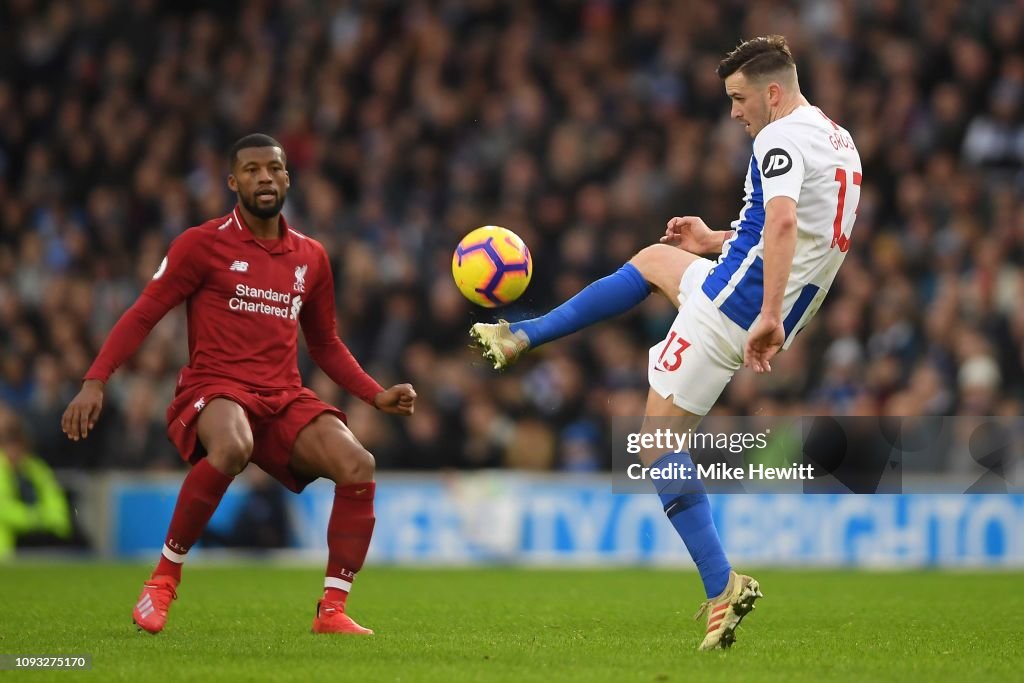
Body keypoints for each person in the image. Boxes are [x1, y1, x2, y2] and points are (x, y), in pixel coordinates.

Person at [471, 35, 862, 649]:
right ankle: (522, 333)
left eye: (739, 99)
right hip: (759, 290)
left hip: (736, 305)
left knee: (655, 445)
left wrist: (765, 315)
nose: (735, 113)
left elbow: (784, 223)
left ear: (773, 93)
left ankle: (721, 588)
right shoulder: (838, 140)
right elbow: (795, 228)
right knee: (657, 258)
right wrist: (713, 241)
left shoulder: (777, 136)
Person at [62, 134, 417, 636]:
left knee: (359, 462)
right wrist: (96, 380)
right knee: (231, 445)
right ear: (233, 182)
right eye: (251, 170)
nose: (264, 178)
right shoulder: (201, 244)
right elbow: (145, 313)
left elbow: (325, 345)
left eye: (273, 168)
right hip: (216, 387)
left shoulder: (311, 257)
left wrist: (374, 394)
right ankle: (163, 581)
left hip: (283, 396)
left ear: (288, 178)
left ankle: (332, 610)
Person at [0, 404, 72, 559]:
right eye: (10, 445)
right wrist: (36, 518)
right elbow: (4, 509)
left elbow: (57, 504)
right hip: (12, 538)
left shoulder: (37, 469)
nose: (15, 451)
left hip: (40, 533)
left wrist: (46, 520)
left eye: (18, 445)